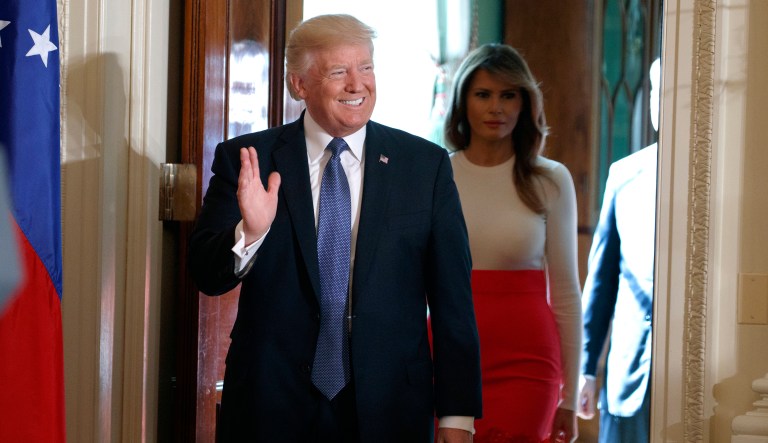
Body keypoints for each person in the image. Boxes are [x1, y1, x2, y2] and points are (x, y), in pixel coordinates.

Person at [189, 14, 482, 443]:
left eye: (365, 67)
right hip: (270, 406)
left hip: (390, 406)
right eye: (338, 72)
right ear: (299, 85)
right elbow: (205, 274)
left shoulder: (425, 166)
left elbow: (452, 299)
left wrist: (457, 416)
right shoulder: (248, 159)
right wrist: (250, 234)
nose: (357, 84)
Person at [444, 43, 583, 442]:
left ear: (525, 103)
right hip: (449, 355)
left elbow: (567, 294)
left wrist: (570, 397)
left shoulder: (550, 179)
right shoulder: (438, 174)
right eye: (483, 94)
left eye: (509, 95)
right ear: (463, 102)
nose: (496, 108)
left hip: (528, 364)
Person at [576, 58, 661, 443]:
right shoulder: (624, 175)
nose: (663, 102)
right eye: (657, 92)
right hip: (628, 376)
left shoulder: (719, 178)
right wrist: (586, 368)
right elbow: (602, 281)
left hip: (694, 373)